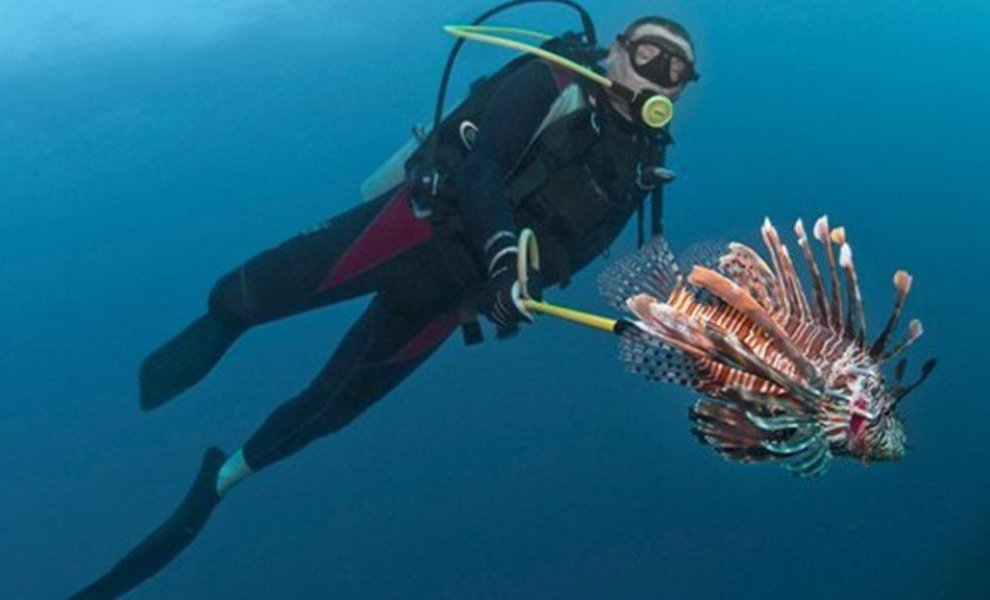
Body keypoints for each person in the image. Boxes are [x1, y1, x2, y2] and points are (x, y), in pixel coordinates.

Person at [69, 12, 699, 599]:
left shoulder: (641, 166)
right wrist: (507, 254)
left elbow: (578, 250)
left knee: (328, 410)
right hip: (410, 231)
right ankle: (218, 327)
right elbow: (483, 169)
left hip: (452, 300)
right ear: (616, 52)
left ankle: (221, 480)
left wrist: (515, 294)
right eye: (649, 55)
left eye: (676, 71)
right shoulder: (555, 79)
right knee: (248, 293)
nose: (658, 76)